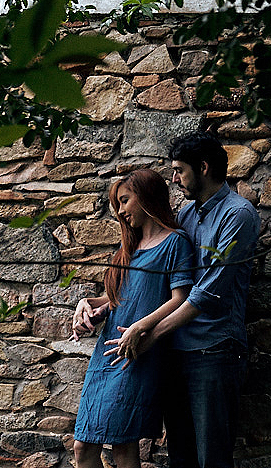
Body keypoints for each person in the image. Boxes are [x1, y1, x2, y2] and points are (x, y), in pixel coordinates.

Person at [108, 131, 261, 468]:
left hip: (214, 350)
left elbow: (208, 292)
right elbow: (160, 275)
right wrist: (103, 304)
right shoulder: (188, 214)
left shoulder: (238, 215)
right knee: (180, 457)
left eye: (179, 170)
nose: (174, 179)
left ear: (203, 167)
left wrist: (149, 334)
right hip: (176, 351)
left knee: (212, 458)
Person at [71, 168, 195, 468]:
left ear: (146, 196)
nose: (121, 211)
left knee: (123, 447)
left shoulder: (175, 242)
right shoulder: (129, 247)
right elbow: (115, 298)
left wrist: (141, 327)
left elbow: (180, 298)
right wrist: (87, 306)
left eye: (125, 200)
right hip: (105, 355)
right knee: (82, 447)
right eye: (117, 204)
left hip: (136, 353)